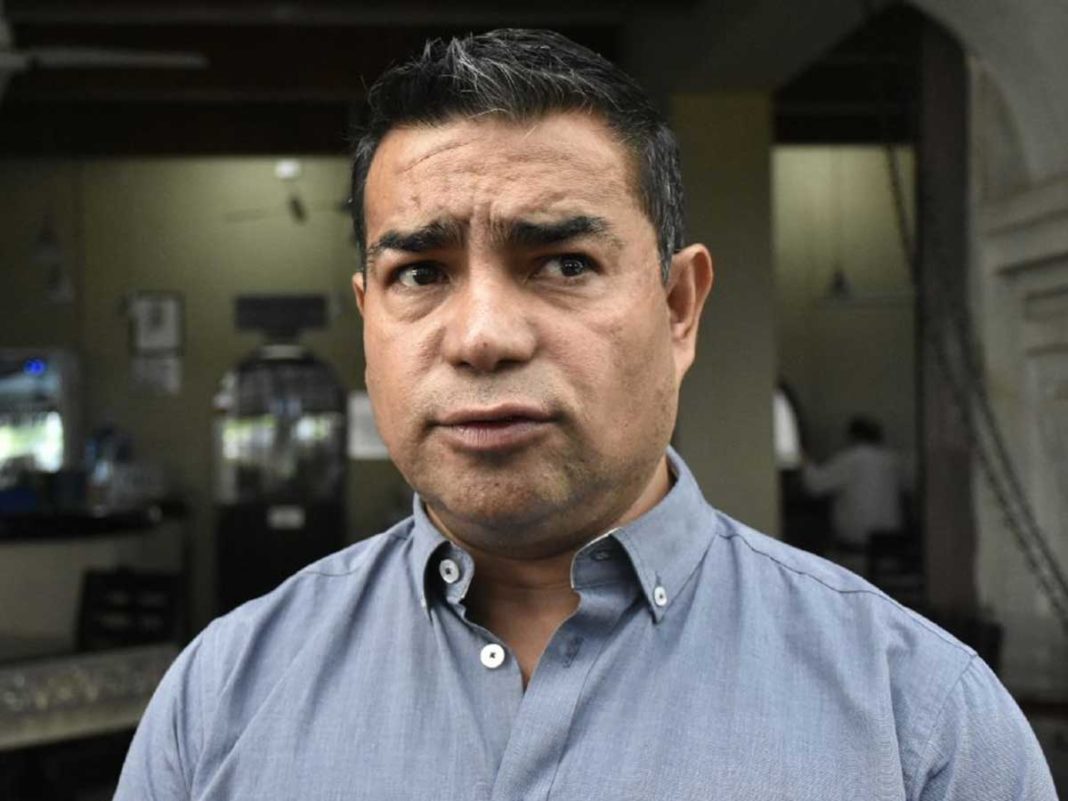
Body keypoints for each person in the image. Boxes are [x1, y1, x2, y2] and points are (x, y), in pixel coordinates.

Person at [113, 29, 1056, 800]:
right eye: (422, 273)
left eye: (564, 263)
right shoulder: (220, 701)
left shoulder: (919, 722)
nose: (482, 336)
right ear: (369, 320)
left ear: (679, 308)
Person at [802, 416, 906, 565]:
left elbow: (814, 486)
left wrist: (805, 459)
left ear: (852, 436)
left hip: (856, 549)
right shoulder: (893, 460)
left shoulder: (850, 459)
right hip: (890, 547)